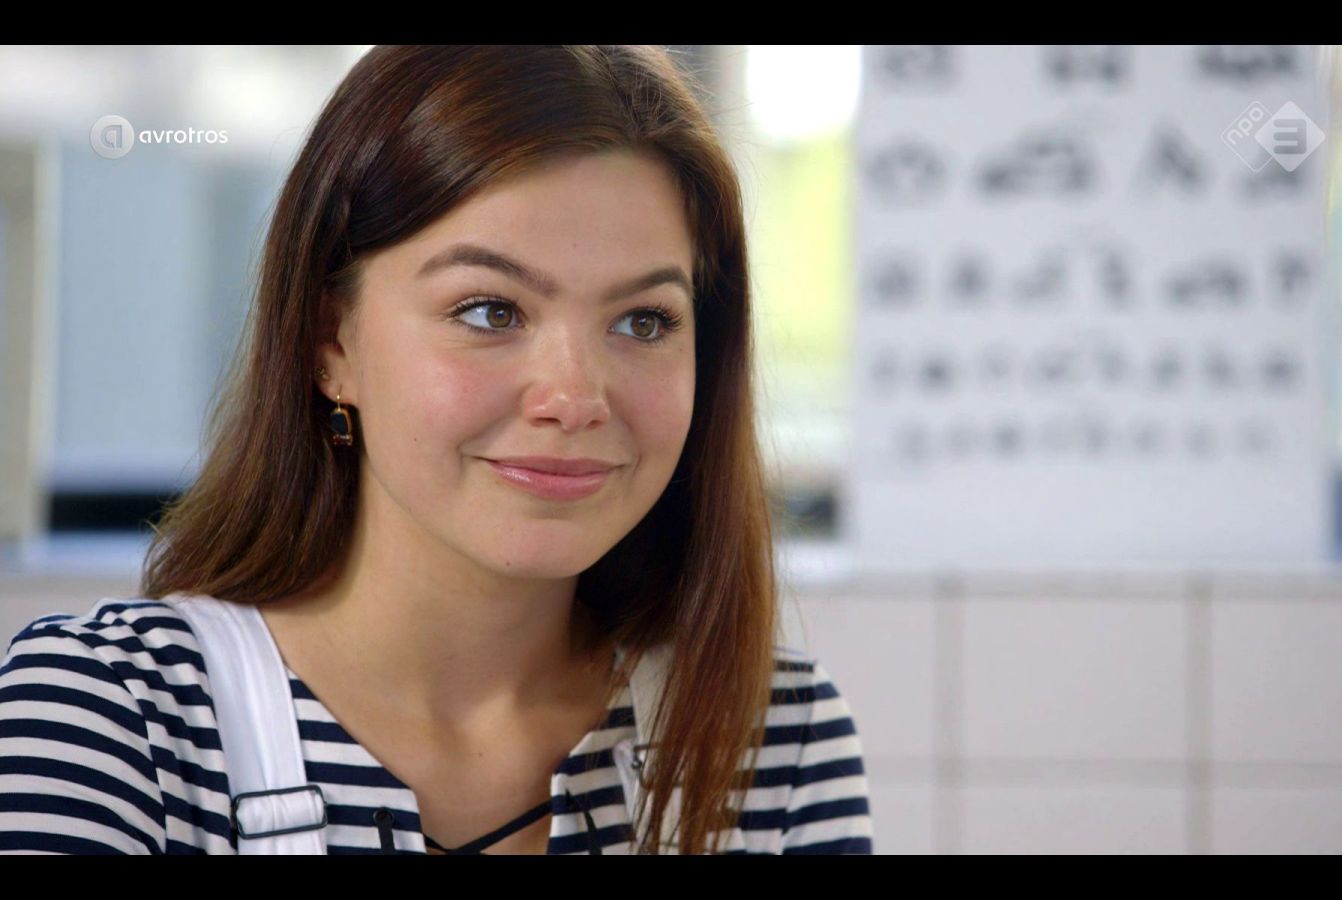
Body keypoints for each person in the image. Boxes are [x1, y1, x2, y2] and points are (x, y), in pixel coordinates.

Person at [0, 45, 873, 855]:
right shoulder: (107, 724)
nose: (574, 399)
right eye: (490, 311)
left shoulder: (771, 736)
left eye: (644, 321)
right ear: (330, 341)